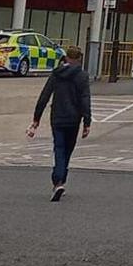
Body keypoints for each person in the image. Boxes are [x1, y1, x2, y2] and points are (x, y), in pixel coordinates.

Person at [27, 45, 91, 201]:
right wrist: (87, 121)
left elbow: (44, 96)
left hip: (57, 117)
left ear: (66, 58)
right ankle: (60, 180)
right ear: (79, 59)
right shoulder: (82, 76)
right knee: (68, 149)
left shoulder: (56, 74)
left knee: (59, 148)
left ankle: (58, 181)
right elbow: (85, 99)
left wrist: (36, 119)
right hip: (73, 118)